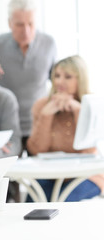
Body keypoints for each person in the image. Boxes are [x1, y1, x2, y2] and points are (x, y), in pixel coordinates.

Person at [26, 55, 104, 201]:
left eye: (67, 76)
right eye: (57, 76)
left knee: (66, 201)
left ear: (80, 79)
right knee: (32, 203)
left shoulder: (93, 104)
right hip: (50, 174)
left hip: (87, 175)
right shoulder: (41, 105)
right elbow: (36, 150)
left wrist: (80, 112)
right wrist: (45, 115)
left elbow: (88, 152)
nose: (60, 81)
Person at [0, 0, 57, 153]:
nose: (26, 31)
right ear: (9, 23)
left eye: (30, 24)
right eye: (19, 24)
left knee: (40, 175)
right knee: (9, 175)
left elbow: (57, 82)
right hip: (5, 126)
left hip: (37, 126)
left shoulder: (49, 43)